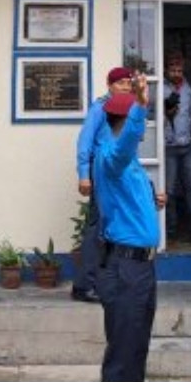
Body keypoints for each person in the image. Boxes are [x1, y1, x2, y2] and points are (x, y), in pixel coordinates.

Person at [92, 76, 165, 382]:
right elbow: (122, 150)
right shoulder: (111, 155)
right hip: (125, 267)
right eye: (137, 122)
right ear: (124, 122)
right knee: (123, 354)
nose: (142, 130)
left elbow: (127, 199)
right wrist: (140, 107)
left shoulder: (129, 161)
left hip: (141, 266)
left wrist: (152, 200)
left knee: (136, 348)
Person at [72, 65, 136, 303]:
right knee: (97, 230)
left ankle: (105, 281)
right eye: (120, 83)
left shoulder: (130, 108)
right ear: (110, 85)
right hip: (101, 173)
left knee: (114, 228)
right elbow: (85, 142)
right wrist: (84, 174)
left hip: (119, 174)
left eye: (128, 83)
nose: (125, 87)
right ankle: (84, 286)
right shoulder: (100, 108)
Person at [162, 54, 191, 244]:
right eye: (172, 70)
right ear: (166, 70)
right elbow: (150, 114)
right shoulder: (160, 87)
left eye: (179, 70)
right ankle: (170, 230)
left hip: (188, 145)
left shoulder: (188, 90)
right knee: (170, 190)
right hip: (168, 146)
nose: (176, 73)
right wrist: (166, 113)